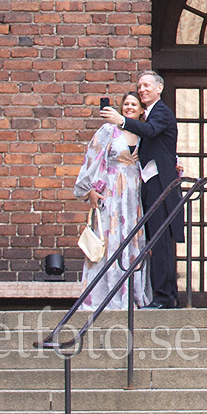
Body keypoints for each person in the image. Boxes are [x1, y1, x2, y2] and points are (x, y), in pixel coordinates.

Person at [101, 71, 180, 308]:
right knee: (156, 240)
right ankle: (165, 294)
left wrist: (121, 121)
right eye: (139, 86)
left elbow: (153, 132)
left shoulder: (161, 112)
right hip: (149, 183)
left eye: (147, 85)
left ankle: (164, 297)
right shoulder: (150, 115)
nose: (143, 89)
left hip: (159, 184)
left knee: (160, 240)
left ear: (159, 88)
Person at [75, 90, 151, 312]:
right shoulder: (110, 130)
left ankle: (130, 295)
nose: (129, 107)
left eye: (134, 105)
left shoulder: (143, 133)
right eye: (126, 104)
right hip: (111, 193)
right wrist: (89, 191)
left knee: (132, 239)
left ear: (141, 110)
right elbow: (92, 158)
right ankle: (102, 296)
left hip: (133, 196)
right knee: (109, 241)